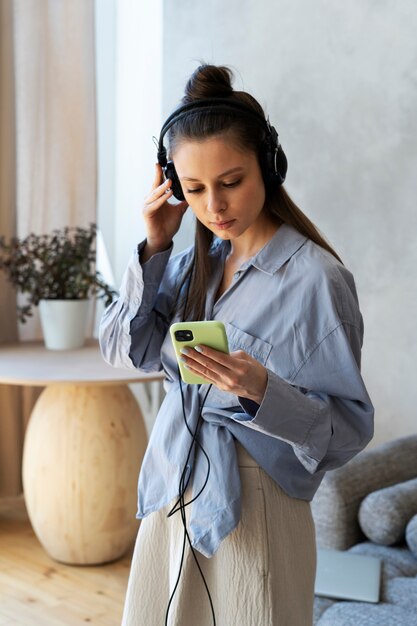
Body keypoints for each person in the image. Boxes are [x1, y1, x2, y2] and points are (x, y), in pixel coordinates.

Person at [99, 64, 374, 626]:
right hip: (174, 486)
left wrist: (263, 391)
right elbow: (125, 348)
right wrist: (154, 243)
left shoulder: (317, 281)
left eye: (230, 182)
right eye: (194, 189)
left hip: (259, 507)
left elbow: (348, 431)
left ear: (268, 168)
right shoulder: (189, 265)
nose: (214, 207)